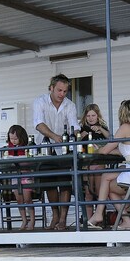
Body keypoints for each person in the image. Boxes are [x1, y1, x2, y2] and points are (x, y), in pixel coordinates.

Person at [86, 100, 130, 230]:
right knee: (108, 182)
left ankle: (99, 215)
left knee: (106, 180)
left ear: (122, 113)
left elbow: (106, 150)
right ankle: (125, 222)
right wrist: (111, 150)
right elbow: (126, 150)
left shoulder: (125, 127)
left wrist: (97, 150)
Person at [32, 74, 79, 230]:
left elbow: (74, 127)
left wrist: (74, 135)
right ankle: (55, 216)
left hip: (64, 149)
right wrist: (54, 136)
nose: (62, 94)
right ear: (51, 88)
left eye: (65, 91)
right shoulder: (40, 101)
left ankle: (63, 219)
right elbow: (38, 124)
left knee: (65, 183)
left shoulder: (70, 105)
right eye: (59, 90)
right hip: (45, 148)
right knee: (50, 184)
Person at [6, 125, 36, 231]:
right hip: (15, 175)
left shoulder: (26, 147)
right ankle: (24, 220)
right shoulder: (9, 148)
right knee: (19, 199)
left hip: (25, 174)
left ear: (21, 137)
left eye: (15, 139)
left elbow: (30, 160)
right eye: (11, 139)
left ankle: (32, 220)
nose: (13, 141)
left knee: (27, 198)